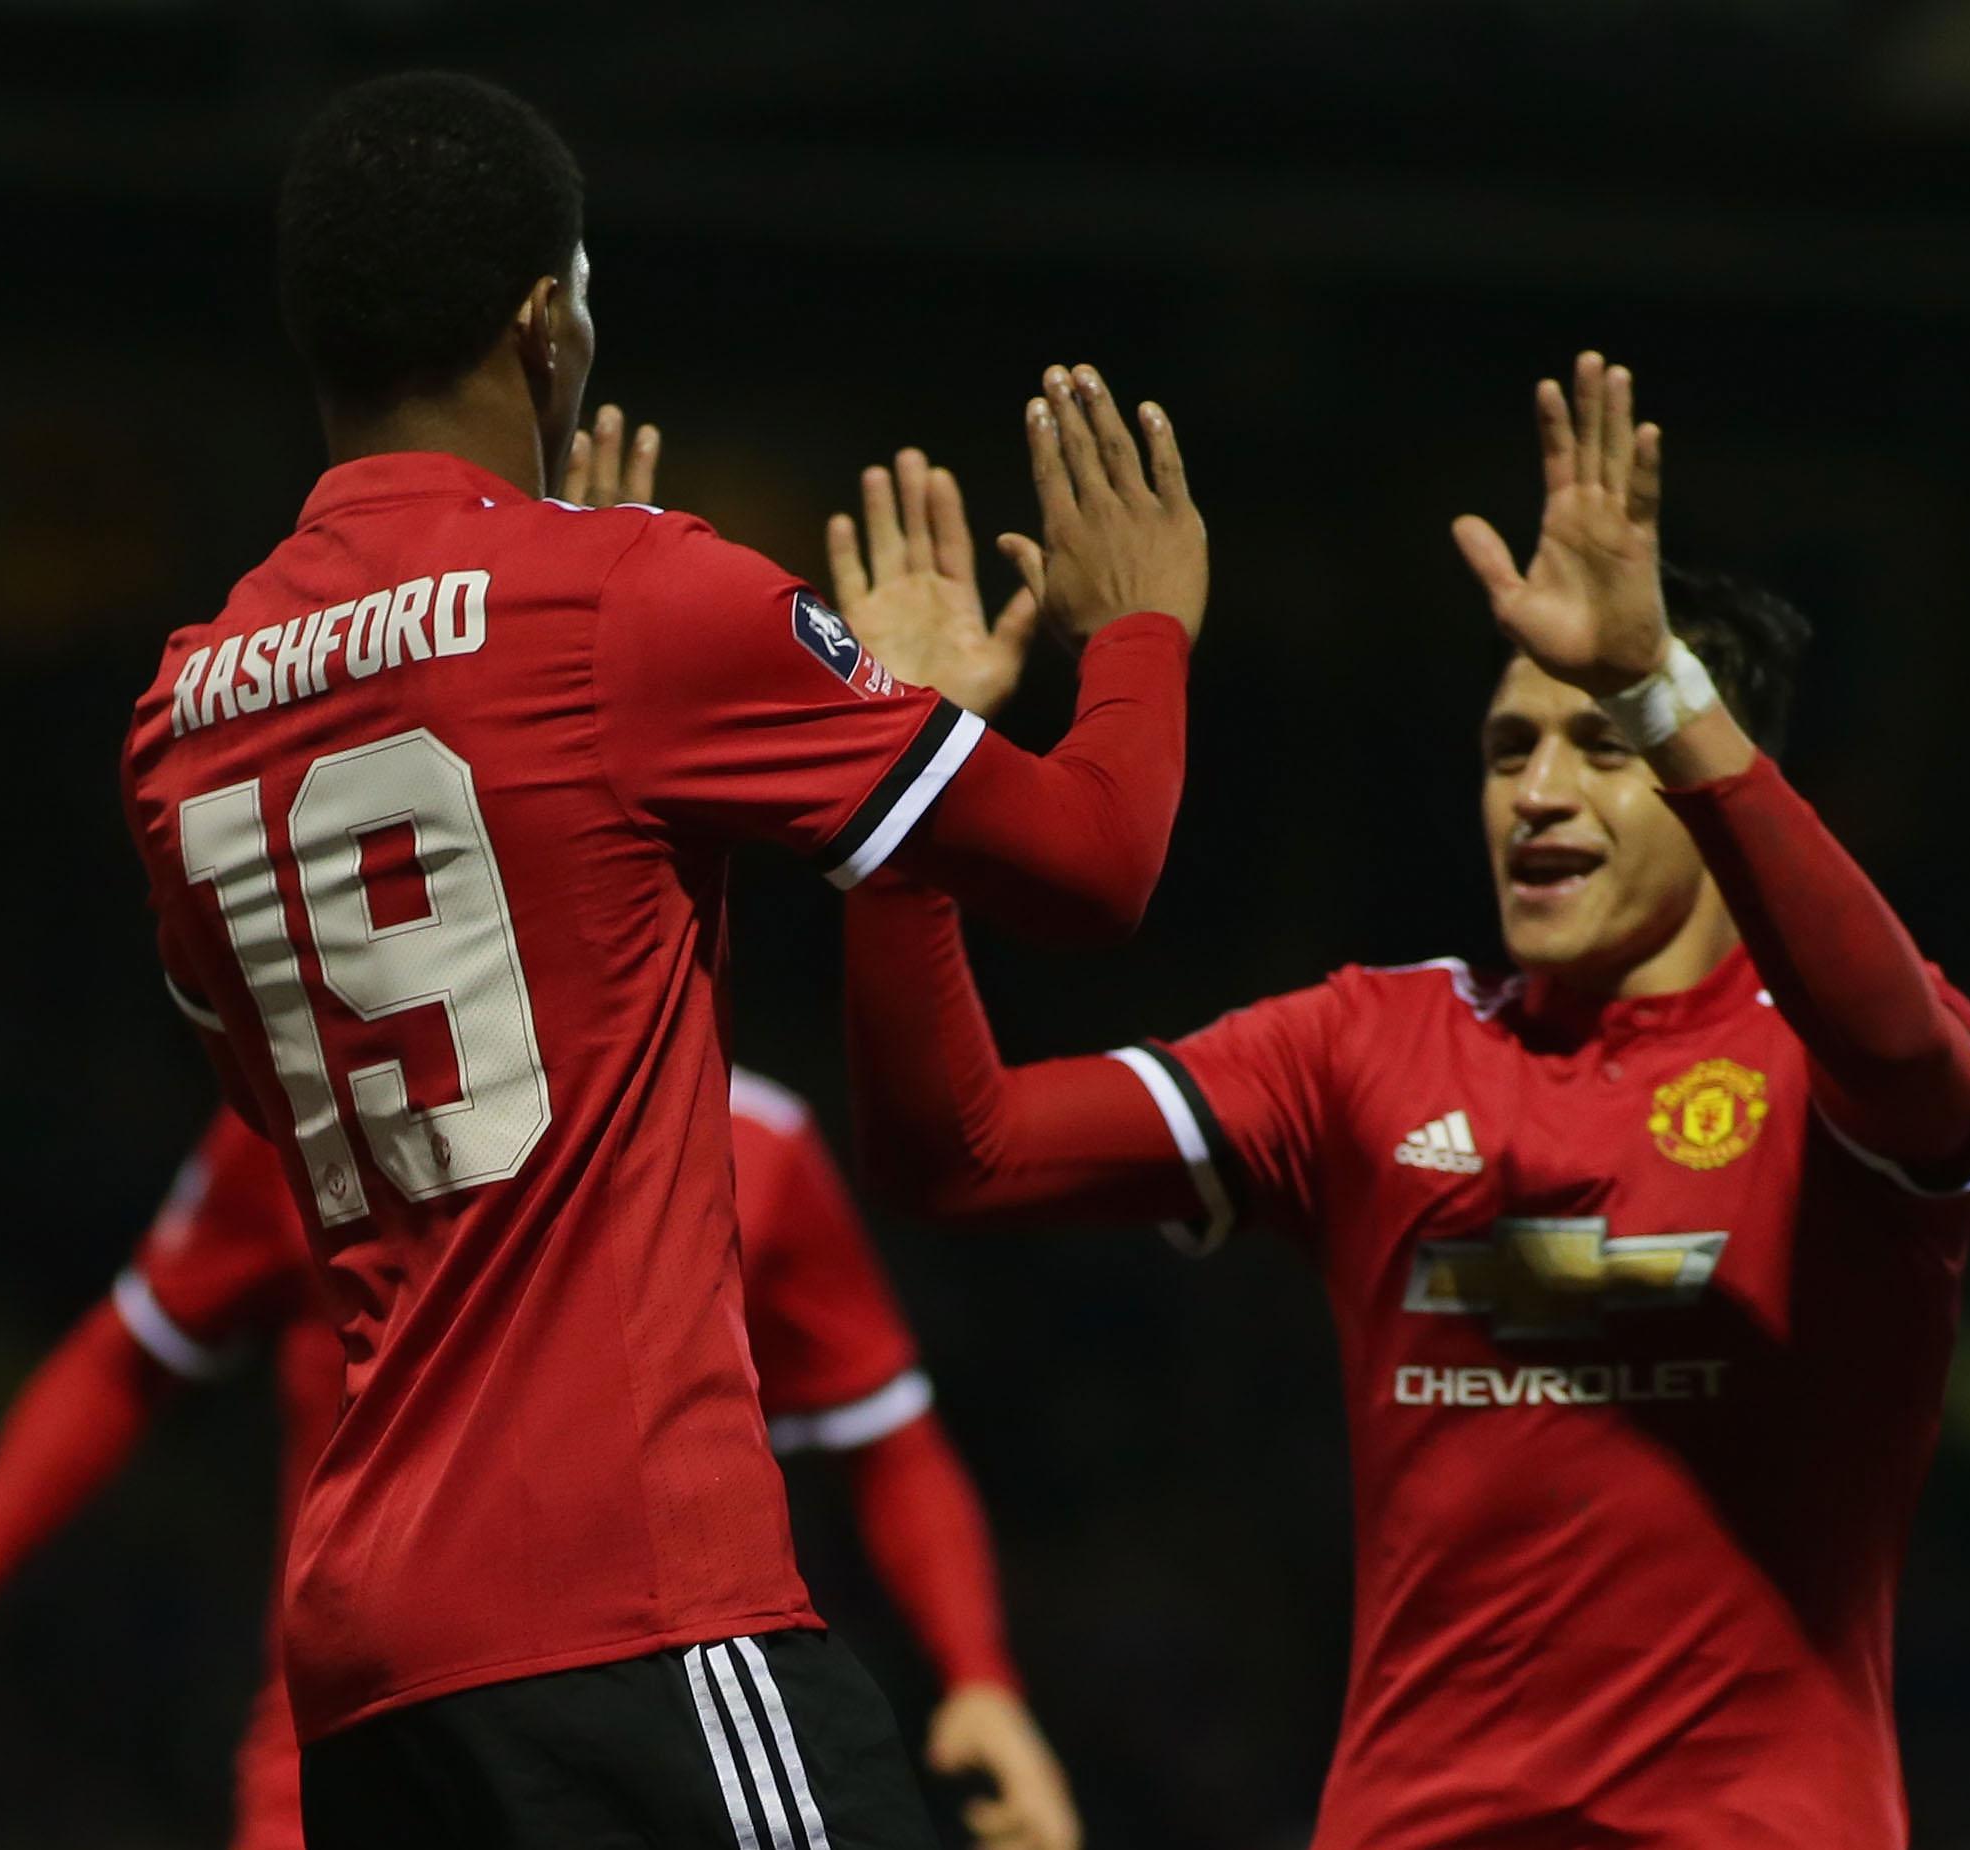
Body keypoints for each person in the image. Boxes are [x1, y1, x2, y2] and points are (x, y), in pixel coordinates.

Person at [117, 69, 1203, 1848]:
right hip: (625, 1596)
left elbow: (279, 1079)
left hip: (363, 1662)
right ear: (547, 325)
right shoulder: (632, 595)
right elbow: (1096, 866)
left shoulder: (183, 710)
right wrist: (1146, 619)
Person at [834, 353, 1970, 1848]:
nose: (1537, 792)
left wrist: (1661, 686)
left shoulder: (1836, 1064)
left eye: (1601, 743)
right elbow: (960, 1153)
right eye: (1509, 747)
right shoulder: (1366, 1047)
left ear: (1715, 770)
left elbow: (1911, 1066)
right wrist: (905, 797)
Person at [0, 1075, 1080, 1850]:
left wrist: (979, 1671)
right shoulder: (306, 1123)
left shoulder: (758, 1148)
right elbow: (134, 1347)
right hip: (348, 1766)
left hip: (638, 1746)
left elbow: (890, 1435)